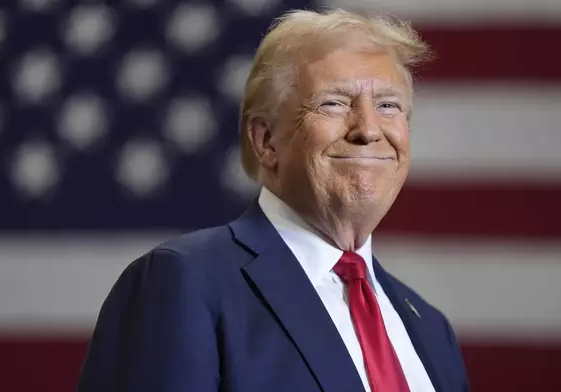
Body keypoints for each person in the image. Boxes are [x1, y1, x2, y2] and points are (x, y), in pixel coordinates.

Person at [78, 8, 470, 392]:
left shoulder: (430, 329)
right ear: (266, 141)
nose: (368, 129)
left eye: (388, 105)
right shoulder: (185, 283)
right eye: (333, 103)